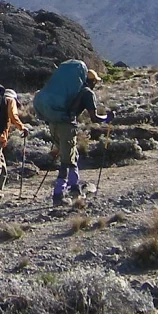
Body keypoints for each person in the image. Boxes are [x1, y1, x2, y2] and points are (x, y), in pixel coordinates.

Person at [33, 62, 108, 207]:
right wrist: (107, 118)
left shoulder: (71, 90)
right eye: (95, 82)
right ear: (91, 81)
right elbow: (94, 118)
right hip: (67, 127)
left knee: (72, 155)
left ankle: (75, 188)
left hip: (54, 124)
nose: (95, 85)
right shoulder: (87, 93)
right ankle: (58, 195)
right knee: (66, 161)